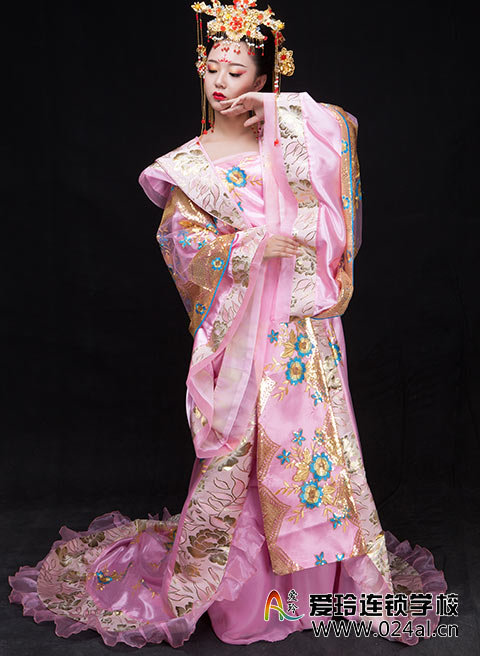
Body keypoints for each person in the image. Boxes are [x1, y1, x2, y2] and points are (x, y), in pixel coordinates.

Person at [8, 0, 447, 649]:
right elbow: (182, 243)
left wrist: (278, 110)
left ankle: (315, 589)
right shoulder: (191, 162)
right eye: (212, 67)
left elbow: (343, 129)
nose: (220, 82)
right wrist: (248, 248)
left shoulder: (291, 133)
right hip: (244, 331)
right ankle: (243, 596)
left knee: (309, 448)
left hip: (302, 323)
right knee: (248, 450)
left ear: (264, 78)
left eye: (236, 72)